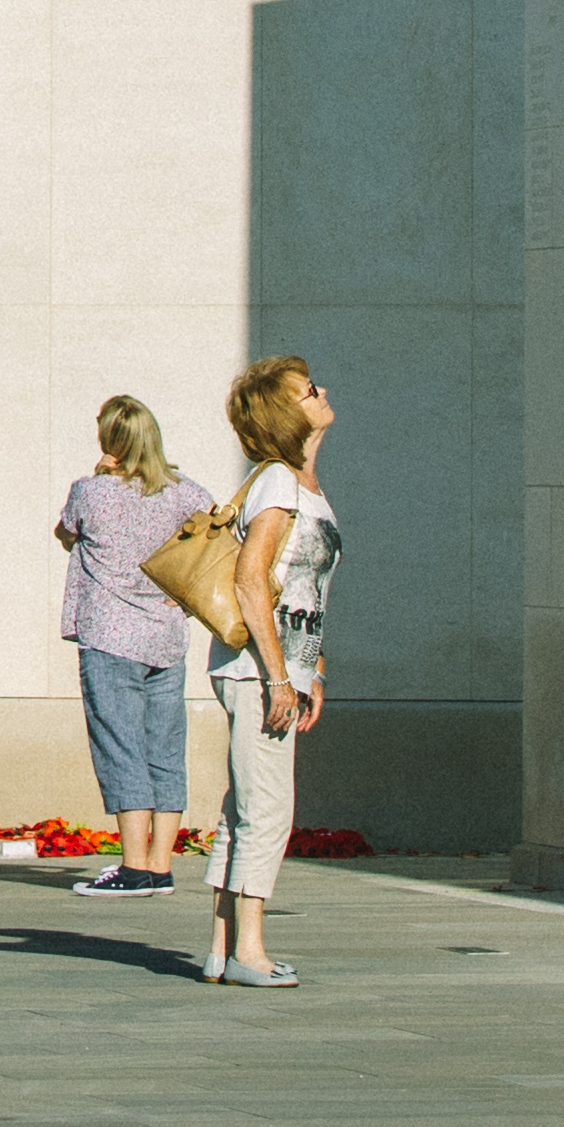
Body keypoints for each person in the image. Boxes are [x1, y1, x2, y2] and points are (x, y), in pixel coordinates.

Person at [204, 355, 337, 987]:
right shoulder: (280, 484)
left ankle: (221, 946)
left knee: (243, 809)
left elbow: (300, 591)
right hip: (257, 671)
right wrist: (281, 678)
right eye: (311, 391)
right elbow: (251, 579)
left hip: (274, 668)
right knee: (269, 811)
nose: (323, 393)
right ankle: (249, 952)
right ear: (290, 414)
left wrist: (312, 670)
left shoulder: (296, 485)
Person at [50, 394, 212, 896]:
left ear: (109, 441)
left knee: (120, 748)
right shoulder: (185, 492)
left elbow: (64, 533)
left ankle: (134, 865)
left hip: (110, 635)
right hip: (165, 637)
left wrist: (101, 476)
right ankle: (161, 864)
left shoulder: (91, 492)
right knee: (164, 749)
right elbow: (218, 530)